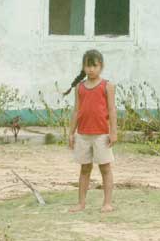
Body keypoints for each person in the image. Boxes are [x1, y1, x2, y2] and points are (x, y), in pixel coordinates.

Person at [65, 49, 117, 213]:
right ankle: (81, 203)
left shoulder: (107, 86)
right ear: (83, 67)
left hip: (101, 135)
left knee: (105, 168)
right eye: (88, 66)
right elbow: (76, 111)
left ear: (101, 66)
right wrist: (71, 133)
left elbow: (112, 110)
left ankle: (107, 203)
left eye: (94, 66)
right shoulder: (79, 87)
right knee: (85, 169)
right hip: (83, 135)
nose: (91, 69)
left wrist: (113, 132)